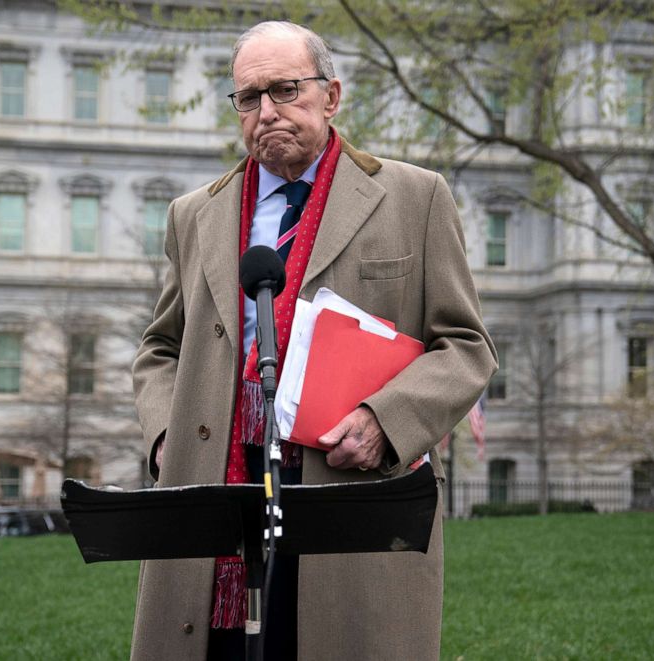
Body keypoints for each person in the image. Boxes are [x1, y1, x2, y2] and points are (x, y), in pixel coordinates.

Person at [130, 20, 497, 661]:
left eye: (285, 90)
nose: (267, 111)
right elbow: (160, 348)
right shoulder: (194, 215)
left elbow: (466, 346)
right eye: (249, 97)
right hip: (218, 487)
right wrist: (167, 435)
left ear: (331, 96)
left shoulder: (415, 198)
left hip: (347, 486)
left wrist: (388, 420)